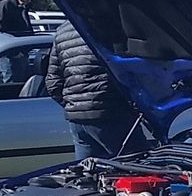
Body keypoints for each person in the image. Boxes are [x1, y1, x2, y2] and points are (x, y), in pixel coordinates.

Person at [47, 20, 148, 159]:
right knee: (137, 164)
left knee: (86, 170)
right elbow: (133, 71)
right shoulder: (111, 25)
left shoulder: (62, 31)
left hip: (77, 118)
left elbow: (53, 83)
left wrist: (74, 104)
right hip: (112, 112)